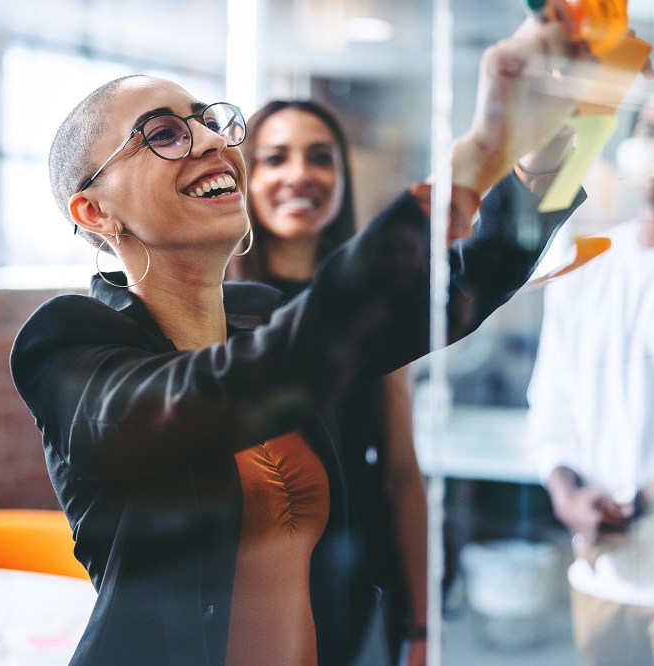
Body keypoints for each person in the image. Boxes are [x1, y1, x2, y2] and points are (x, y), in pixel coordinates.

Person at [11, 16, 595, 665]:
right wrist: (475, 154)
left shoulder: (262, 312)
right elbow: (223, 388)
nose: (210, 140)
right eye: (166, 134)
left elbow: (456, 291)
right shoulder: (65, 343)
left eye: (208, 120)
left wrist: (569, 137)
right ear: (95, 211)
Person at [527, 73, 654, 666]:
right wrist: (566, 494)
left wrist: (633, 504)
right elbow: (550, 404)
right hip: (600, 576)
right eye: (650, 127)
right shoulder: (587, 262)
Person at [225, 100, 428, 665]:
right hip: (244, 578)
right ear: (246, 177)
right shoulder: (210, 308)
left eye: (320, 157)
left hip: (357, 562)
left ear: (340, 178)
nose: (299, 174)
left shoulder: (377, 304)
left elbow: (401, 471)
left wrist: (422, 622)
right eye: (274, 158)